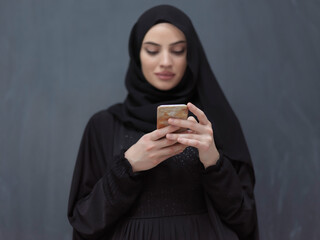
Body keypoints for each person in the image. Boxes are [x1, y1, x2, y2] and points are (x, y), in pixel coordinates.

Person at [68, 4, 259, 240]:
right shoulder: (104, 125)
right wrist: (128, 166)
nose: (166, 61)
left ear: (191, 55)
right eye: (152, 50)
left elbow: (245, 220)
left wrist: (213, 162)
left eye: (178, 50)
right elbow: (84, 221)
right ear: (137, 54)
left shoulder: (209, 124)